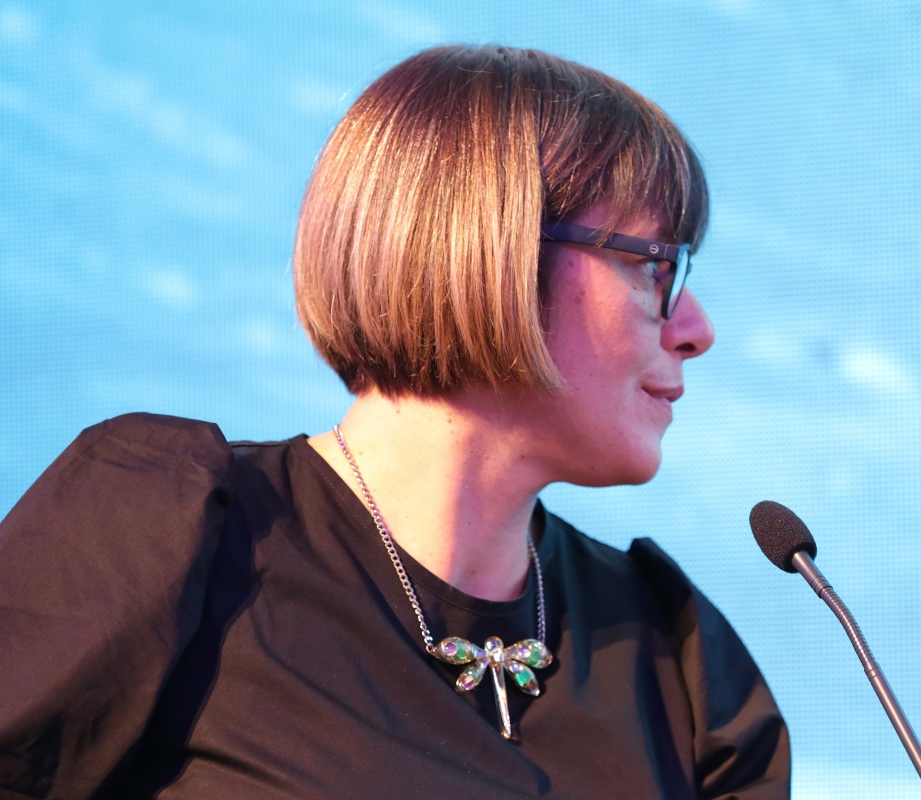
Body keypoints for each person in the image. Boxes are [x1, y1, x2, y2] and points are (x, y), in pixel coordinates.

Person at [0, 45, 790, 798]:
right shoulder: (168, 533)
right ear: (491, 247)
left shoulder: (676, 653)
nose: (697, 328)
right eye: (655, 266)